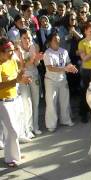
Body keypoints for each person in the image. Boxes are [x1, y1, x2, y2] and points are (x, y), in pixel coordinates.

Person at [0, 37, 31, 167]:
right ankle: (10, 158)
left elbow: (19, 71)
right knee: (12, 130)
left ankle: (14, 155)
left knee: (14, 130)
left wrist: (23, 77)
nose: (12, 53)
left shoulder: (12, 61)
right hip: (2, 102)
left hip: (14, 99)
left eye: (13, 50)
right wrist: (17, 81)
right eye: (9, 51)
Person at [43, 32, 78, 132]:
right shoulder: (47, 53)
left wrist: (71, 67)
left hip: (63, 79)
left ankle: (65, 120)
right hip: (51, 81)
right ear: (50, 42)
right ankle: (51, 124)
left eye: (59, 40)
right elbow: (50, 68)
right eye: (55, 40)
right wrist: (65, 69)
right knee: (51, 102)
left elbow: (68, 62)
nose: (58, 42)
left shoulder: (64, 51)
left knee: (65, 100)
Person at [15, 29, 43, 136]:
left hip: (34, 75)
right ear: (20, 38)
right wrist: (31, 60)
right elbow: (22, 65)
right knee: (27, 103)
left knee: (36, 102)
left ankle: (35, 126)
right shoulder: (17, 49)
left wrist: (37, 59)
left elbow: (36, 63)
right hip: (23, 77)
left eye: (29, 37)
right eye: (24, 38)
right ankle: (28, 129)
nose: (27, 40)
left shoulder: (34, 46)